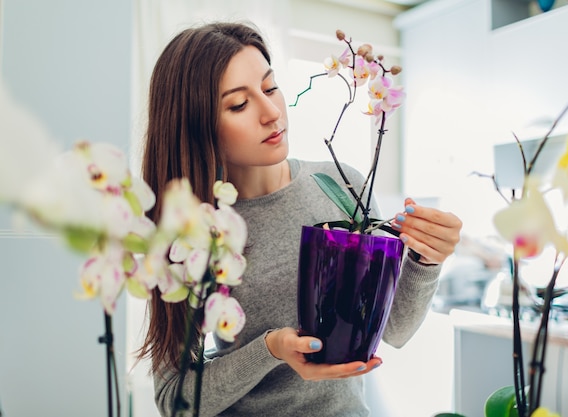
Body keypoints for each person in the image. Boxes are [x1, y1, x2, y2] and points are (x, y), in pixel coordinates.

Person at [137, 21, 462, 417]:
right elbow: (175, 400)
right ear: (196, 126)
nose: (272, 112)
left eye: (271, 87)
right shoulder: (193, 232)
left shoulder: (342, 189)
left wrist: (426, 260)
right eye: (239, 104)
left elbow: (393, 330)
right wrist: (270, 349)